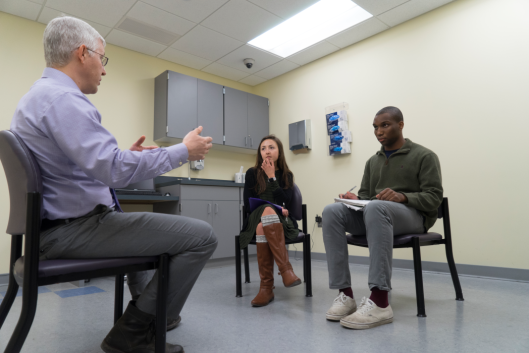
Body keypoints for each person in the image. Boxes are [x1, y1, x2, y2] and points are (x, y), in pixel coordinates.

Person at [10, 16, 217, 353]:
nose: (103, 70)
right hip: (73, 230)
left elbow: (85, 167)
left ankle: (152, 312)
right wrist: (183, 150)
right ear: (82, 53)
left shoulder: (40, 97)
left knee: (142, 229)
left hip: (56, 227)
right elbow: (116, 171)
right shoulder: (64, 100)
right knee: (202, 237)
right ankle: (136, 330)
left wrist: (122, 157)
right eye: (101, 59)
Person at [322, 106, 443, 330]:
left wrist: (402, 196)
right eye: (376, 127)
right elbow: (368, 198)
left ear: (401, 125)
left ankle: (380, 301)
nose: (379, 131)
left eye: (385, 125)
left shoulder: (424, 155)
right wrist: (354, 199)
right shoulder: (372, 161)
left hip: (415, 217)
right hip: (378, 213)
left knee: (378, 208)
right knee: (332, 211)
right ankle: (345, 295)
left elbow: (434, 198)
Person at [239, 135, 302, 307]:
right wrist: (272, 206)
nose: (267, 151)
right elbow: (248, 204)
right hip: (257, 214)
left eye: (271, 147)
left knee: (262, 228)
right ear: (260, 153)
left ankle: (266, 288)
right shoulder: (252, 173)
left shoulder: (286, 175)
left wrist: (272, 177)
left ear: (279, 151)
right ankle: (286, 270)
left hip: (280, 219)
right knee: (266, 211)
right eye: (263, 148)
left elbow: (286, 203)